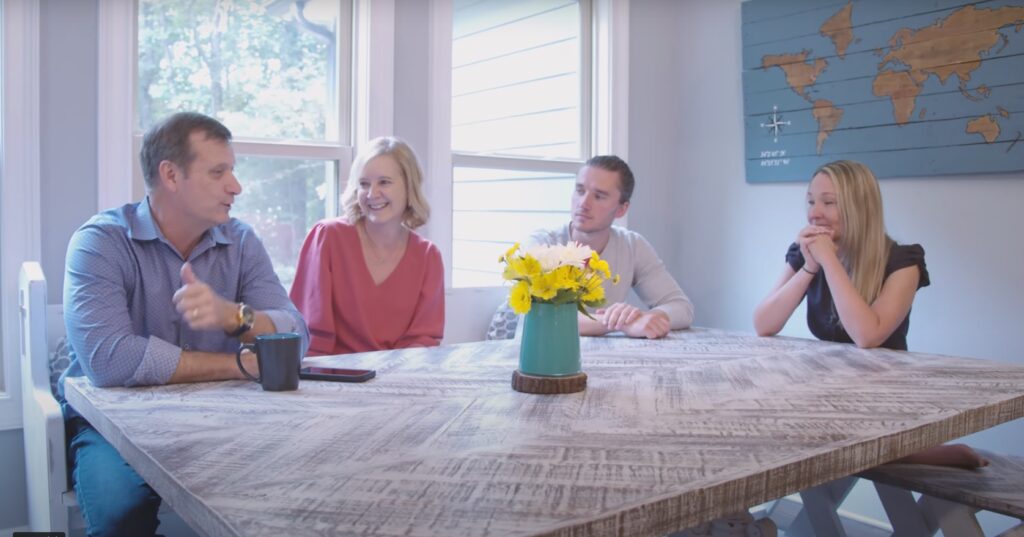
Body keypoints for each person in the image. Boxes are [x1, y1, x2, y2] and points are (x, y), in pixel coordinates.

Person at [60, 111, 310, 536]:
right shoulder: (99, 242)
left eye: (233, 170)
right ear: (171, 175)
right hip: (116, 422)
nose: (237, 186)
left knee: (292, 488)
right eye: (218, 172)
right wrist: (238, 365)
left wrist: (234, 316)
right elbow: (110, 362)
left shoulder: (242, 241)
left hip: (226, 414)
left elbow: (297, 336)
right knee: (120, 512)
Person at [752, 159, 986, 469]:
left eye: (828, 202)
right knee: (766, 413)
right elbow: (763, 324)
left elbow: (867, 335)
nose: (814, 212)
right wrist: (809, 266)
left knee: (796, 435)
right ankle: (906, 452)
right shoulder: (805, 254)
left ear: (859, 207)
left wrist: (829, 262)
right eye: (811, 201)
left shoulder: (903, 261)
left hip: (883, 392)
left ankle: (907, 449)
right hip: (830, 386)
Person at [290, 136, 444, 355]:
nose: (372, 194)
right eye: (364, 184)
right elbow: (310, 334)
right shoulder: (327, 237)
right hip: (331, 377)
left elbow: (424, 340)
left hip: (398, 378)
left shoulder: (428, 256)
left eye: (384, 182)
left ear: (409, 187)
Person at [527, 155, 694, 339]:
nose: (583, 204)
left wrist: (647, 318)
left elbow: (681, 307)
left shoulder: (632, 245)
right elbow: (543, 317)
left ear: (622, 209)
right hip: (540, 355)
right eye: (580, 191)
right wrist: (620, 323)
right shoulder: (542, 244)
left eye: (599, 196)